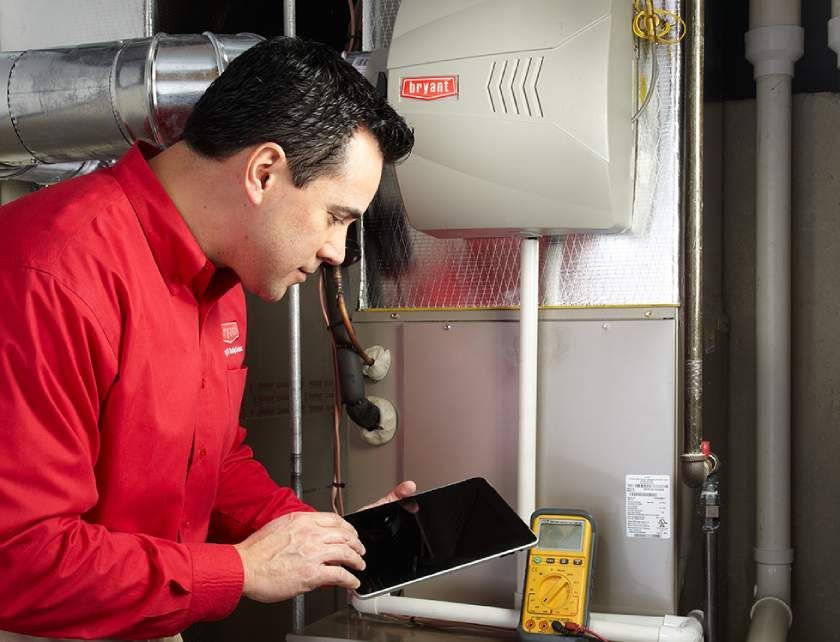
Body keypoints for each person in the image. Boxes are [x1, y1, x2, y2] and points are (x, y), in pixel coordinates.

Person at [0, 36, 415, 641]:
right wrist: (238, 570)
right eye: (335, 216)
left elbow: (210, 465)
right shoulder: (52, 271)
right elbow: (18, 558)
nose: (336, 252)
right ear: (264, 172)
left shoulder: (222, 278)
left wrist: (324, 538)